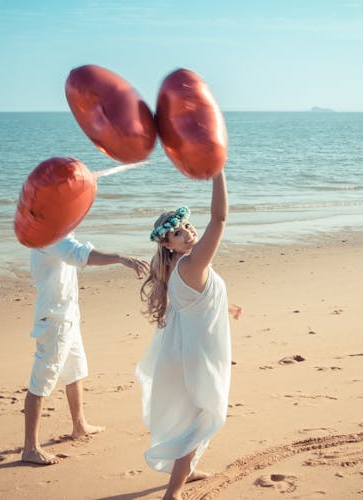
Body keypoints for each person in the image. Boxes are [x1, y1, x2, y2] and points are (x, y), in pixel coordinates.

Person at [136, 170, 240, 499]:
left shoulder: (179, 269)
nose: (187, 233)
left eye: (186, 227)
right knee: (200, 421)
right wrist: (217, 173)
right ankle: (174, 492)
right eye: (178, 233)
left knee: (196, 417)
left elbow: (194, 303)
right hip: (201, 355)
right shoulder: (192, 264)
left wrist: (223, 308)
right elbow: (220, 219)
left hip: (188, 352)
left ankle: (188, 473)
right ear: (168, 245)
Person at [22, 233, 149, 465]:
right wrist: (122, 258)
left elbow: (77, 251)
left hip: (68, 316)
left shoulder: (61, 233)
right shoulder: (49, 236)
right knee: (41, 381)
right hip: (53, 320)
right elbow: (83, 255)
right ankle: (30, 448)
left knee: (76, 370)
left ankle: (79, 426)